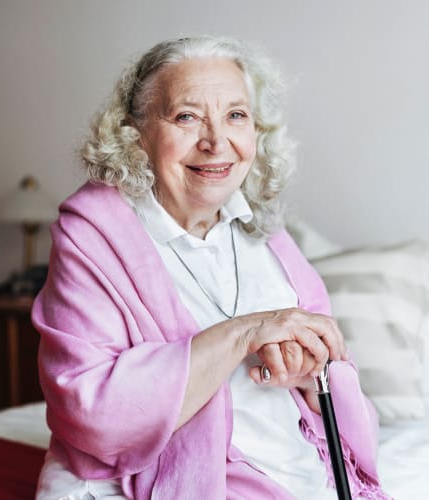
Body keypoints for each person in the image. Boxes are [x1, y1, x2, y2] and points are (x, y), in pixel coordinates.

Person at [32, 35, 390, 499]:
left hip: (297, 478)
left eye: (236, 116)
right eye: (187, 117)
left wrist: (306, 374)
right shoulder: (94, 236)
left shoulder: (268, 235)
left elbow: (345, 394)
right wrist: (243, 334)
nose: (216, 141)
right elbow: (90, 412)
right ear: (135, 132)